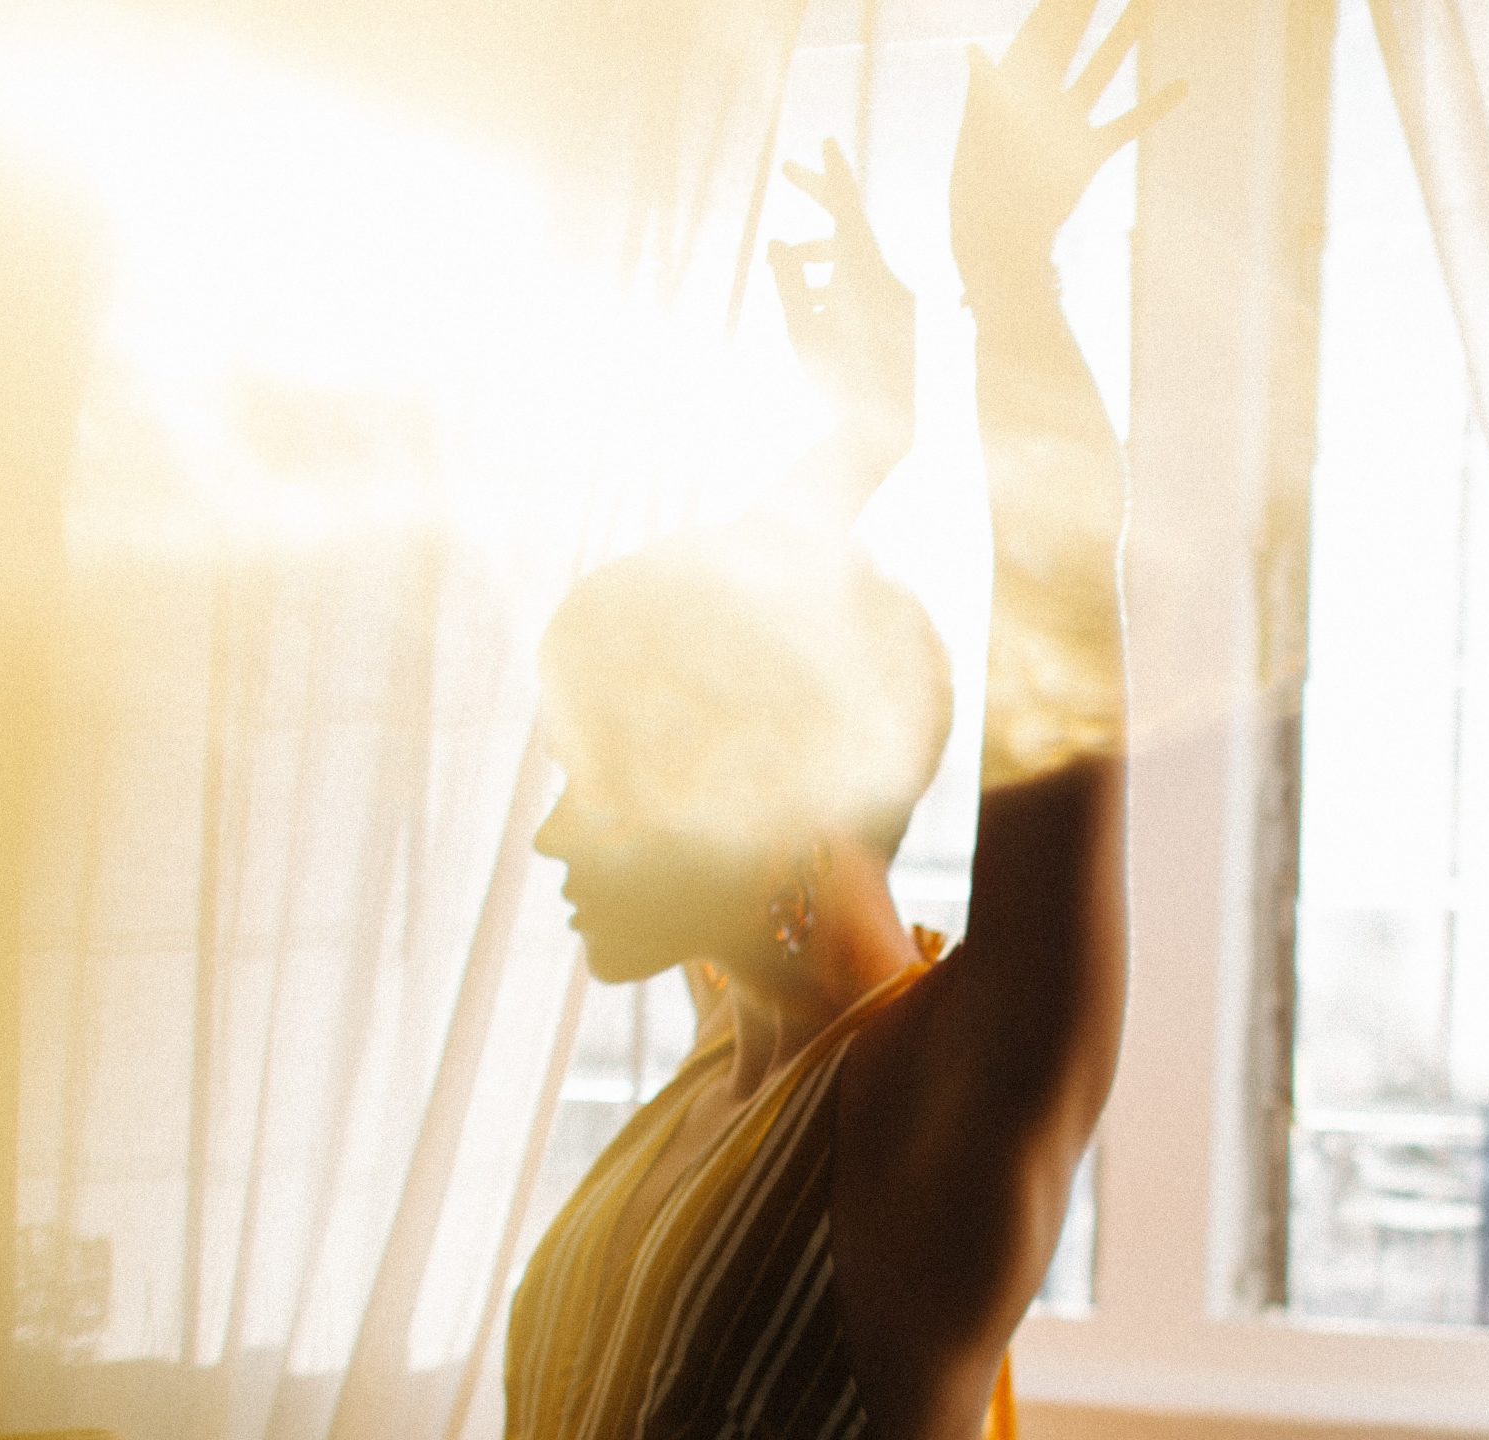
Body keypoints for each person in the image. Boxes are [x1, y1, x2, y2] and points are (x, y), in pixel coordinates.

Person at [506, 3, 1184, 1437]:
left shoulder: (942, 1106)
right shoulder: (731, 1038)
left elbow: (1063, 602)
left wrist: (1011, 285)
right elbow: (724, 645)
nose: (555, 830)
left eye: (599, 780)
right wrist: (859, 445)